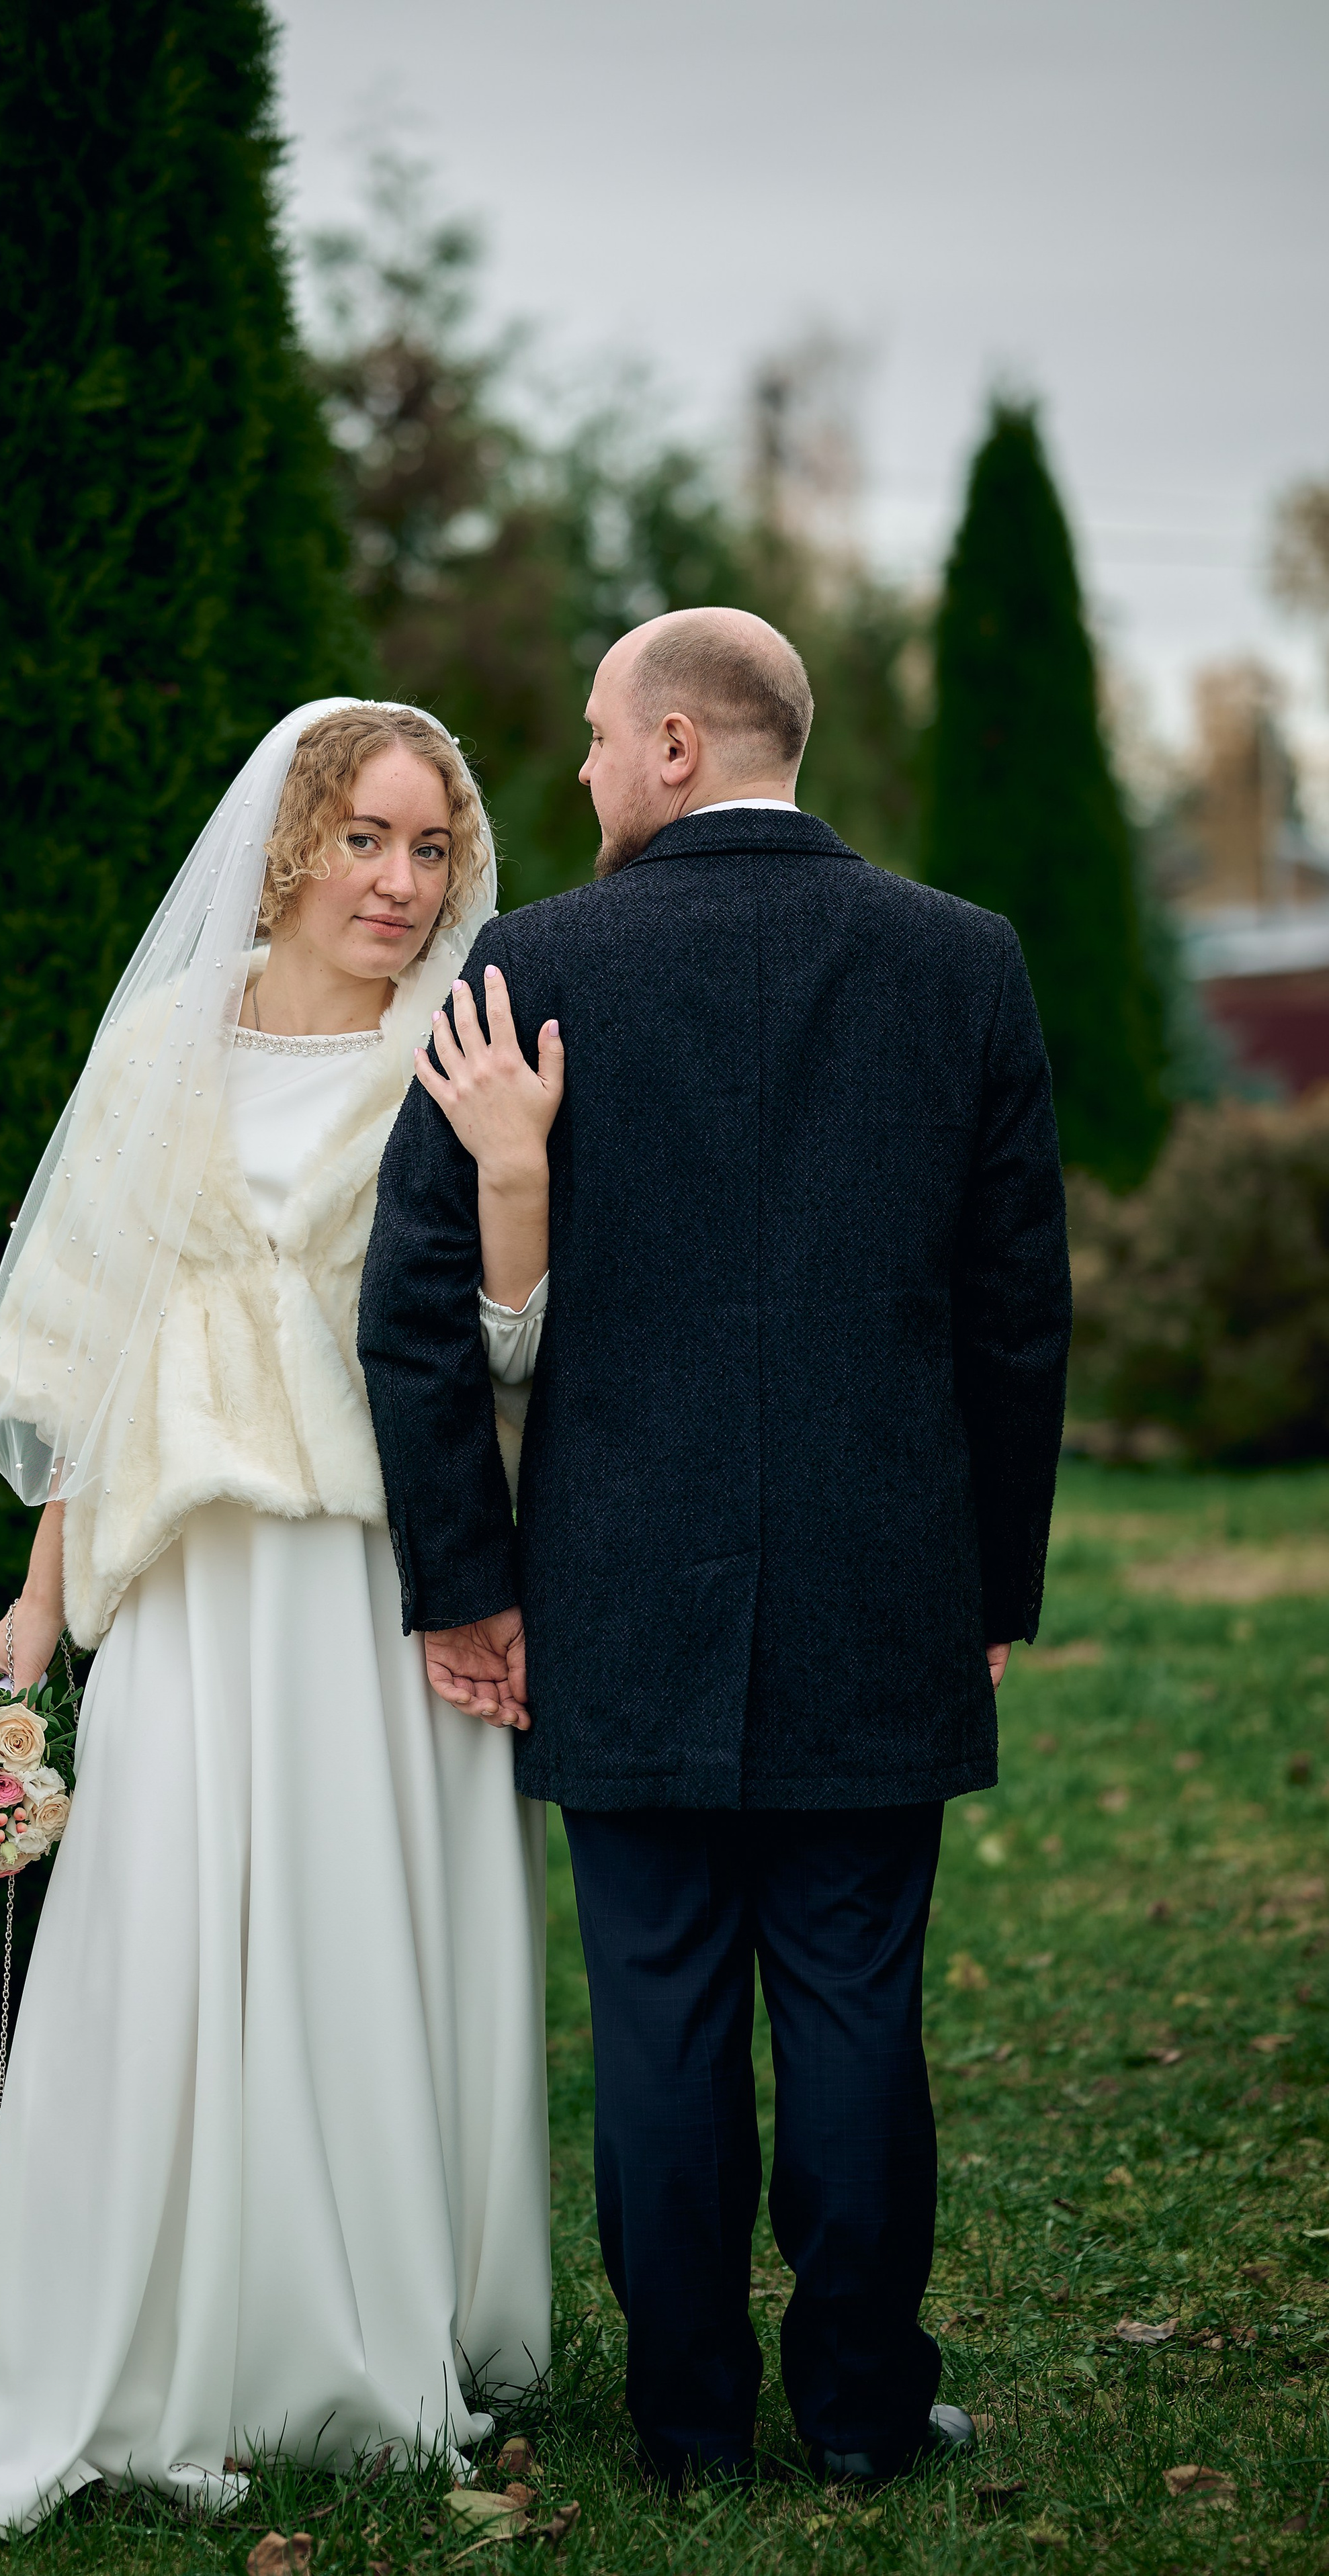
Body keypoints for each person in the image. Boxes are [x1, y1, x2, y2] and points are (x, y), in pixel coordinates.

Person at [358, 609, 1073, 2489]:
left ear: (677, 746)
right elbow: (1019, 1316)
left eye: (599, 734)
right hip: (883, 1580)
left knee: (659, 2007)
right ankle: (856, 2408)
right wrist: (996, 1582)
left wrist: (465, 1576)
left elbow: (416, 1304)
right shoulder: (964, 961)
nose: (583, 770)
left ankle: (685, 2418)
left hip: (616, 1585)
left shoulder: (533, 963)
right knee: (856, 1999)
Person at [0, 702, 556, 2538]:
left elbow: (514, 1346)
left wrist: (516, 1171)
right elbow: (92, 1342)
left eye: (433, 849)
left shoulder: (461, 1044)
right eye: (371, 842)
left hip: (373, 1574)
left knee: (359, 1919)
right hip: (184, 1574)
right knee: (170, 1922)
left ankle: (352, 2329)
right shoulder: (168, 1046)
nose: (405, 884)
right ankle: (156, 2324)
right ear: (291, 843)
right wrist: (37, 1610)